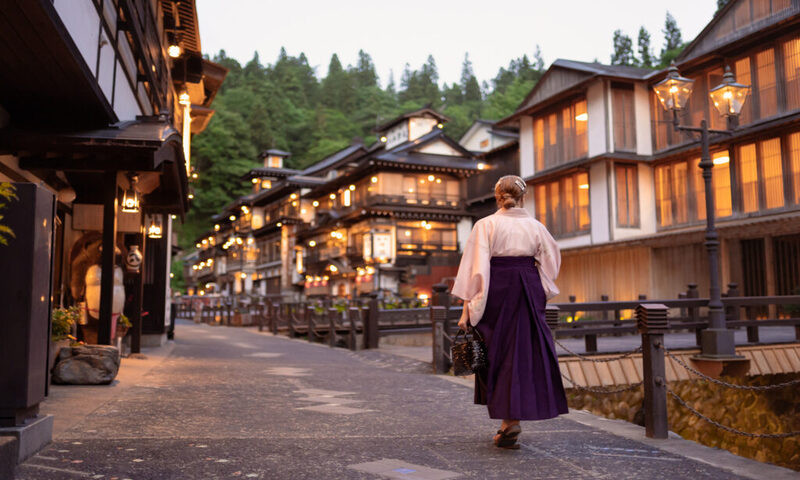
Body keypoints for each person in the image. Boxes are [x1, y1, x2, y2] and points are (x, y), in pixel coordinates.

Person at [451, 175, 568, 449]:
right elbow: (552, 259)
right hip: (528, 287)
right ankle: (510, 421)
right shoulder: (536, 227)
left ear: (497, 196)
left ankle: (509, 422)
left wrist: (468, 307)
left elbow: (476, 268)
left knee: (497, 353)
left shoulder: (486, 225)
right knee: (524, 353)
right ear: (523, 197)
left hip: (496, 289)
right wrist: (540, 283)